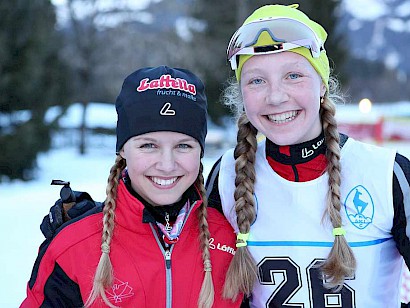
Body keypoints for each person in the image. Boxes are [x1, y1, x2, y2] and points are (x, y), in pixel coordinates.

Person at [204, 3, 410, 307]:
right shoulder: (227, 176)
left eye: (293, 76)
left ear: (322, 84)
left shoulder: (387, 173)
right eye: (257, 80)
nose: (275, 97)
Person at [21, 66, 242, 308]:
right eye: (148, 145)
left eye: (183, 146)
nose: (167, 165)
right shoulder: (74, 245)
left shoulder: (231, 240)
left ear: (200, 150)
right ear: (123, 149)